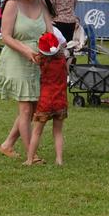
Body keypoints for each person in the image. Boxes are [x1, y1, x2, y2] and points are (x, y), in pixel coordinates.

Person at [0, 0, 56, 161]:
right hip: (17, 58)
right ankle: (32, 155)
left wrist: (54, 48)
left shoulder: (41, 4)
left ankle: (8, 144)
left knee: (32, 108)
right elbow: (6, 36)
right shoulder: (12, 4)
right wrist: (26, 51)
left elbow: (50, 31)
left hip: (40, 59)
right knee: (25, 109)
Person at [24, 32, 68, 166]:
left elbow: (31, 56)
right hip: (60, 100)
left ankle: (30, 159)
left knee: (37, 132)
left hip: (45, 101)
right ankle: (59, 159)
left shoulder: (41, 61)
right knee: (58, 132)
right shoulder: (62, 61)